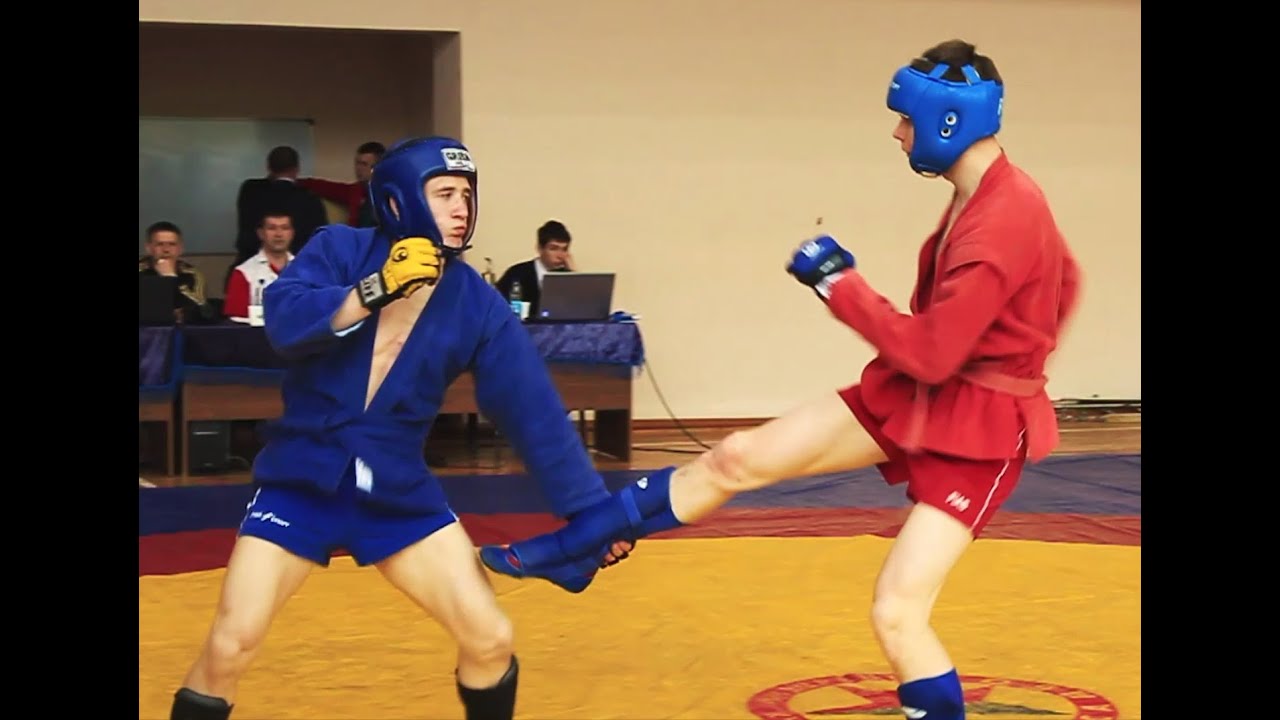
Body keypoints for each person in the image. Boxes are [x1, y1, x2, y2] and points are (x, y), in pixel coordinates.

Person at [479, 39, 1082, 720]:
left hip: (976, 429)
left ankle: (576, 548)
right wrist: (1020, 348)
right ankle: (578, 549)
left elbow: (935, 354)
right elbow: (1064, 281)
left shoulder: (1004, 216)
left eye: (906, 119)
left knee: (898, 612)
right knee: (736, 457)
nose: (897, 133)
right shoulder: (986, 195)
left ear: (948, 121)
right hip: (920, 394)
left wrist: (839, 285)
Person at [167, 136, 632, 720]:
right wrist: (375, 289)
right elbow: (285, 319)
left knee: (490, 637)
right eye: (444, 194)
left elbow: (532, 409)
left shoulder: (477, 304)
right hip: (302, 480)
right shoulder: (341, 248)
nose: (462, 208)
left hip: (395, 489)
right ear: (397, 201)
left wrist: (590, 512)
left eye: (467, 195)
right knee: (230, 644)